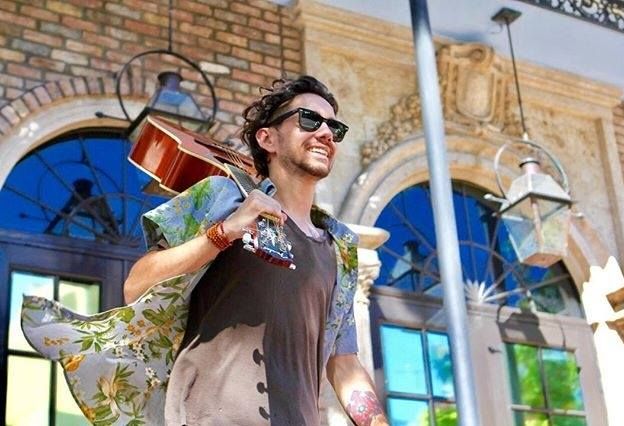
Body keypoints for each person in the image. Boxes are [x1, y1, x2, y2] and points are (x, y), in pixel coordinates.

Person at [22, 75, 388, 425]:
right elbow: (137, 285)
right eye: (309, 119)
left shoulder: (339, 247)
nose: (326, 133)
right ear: (268, 138)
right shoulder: (221, 197)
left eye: (335, 128)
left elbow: (344, 362)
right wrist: (222, 233)